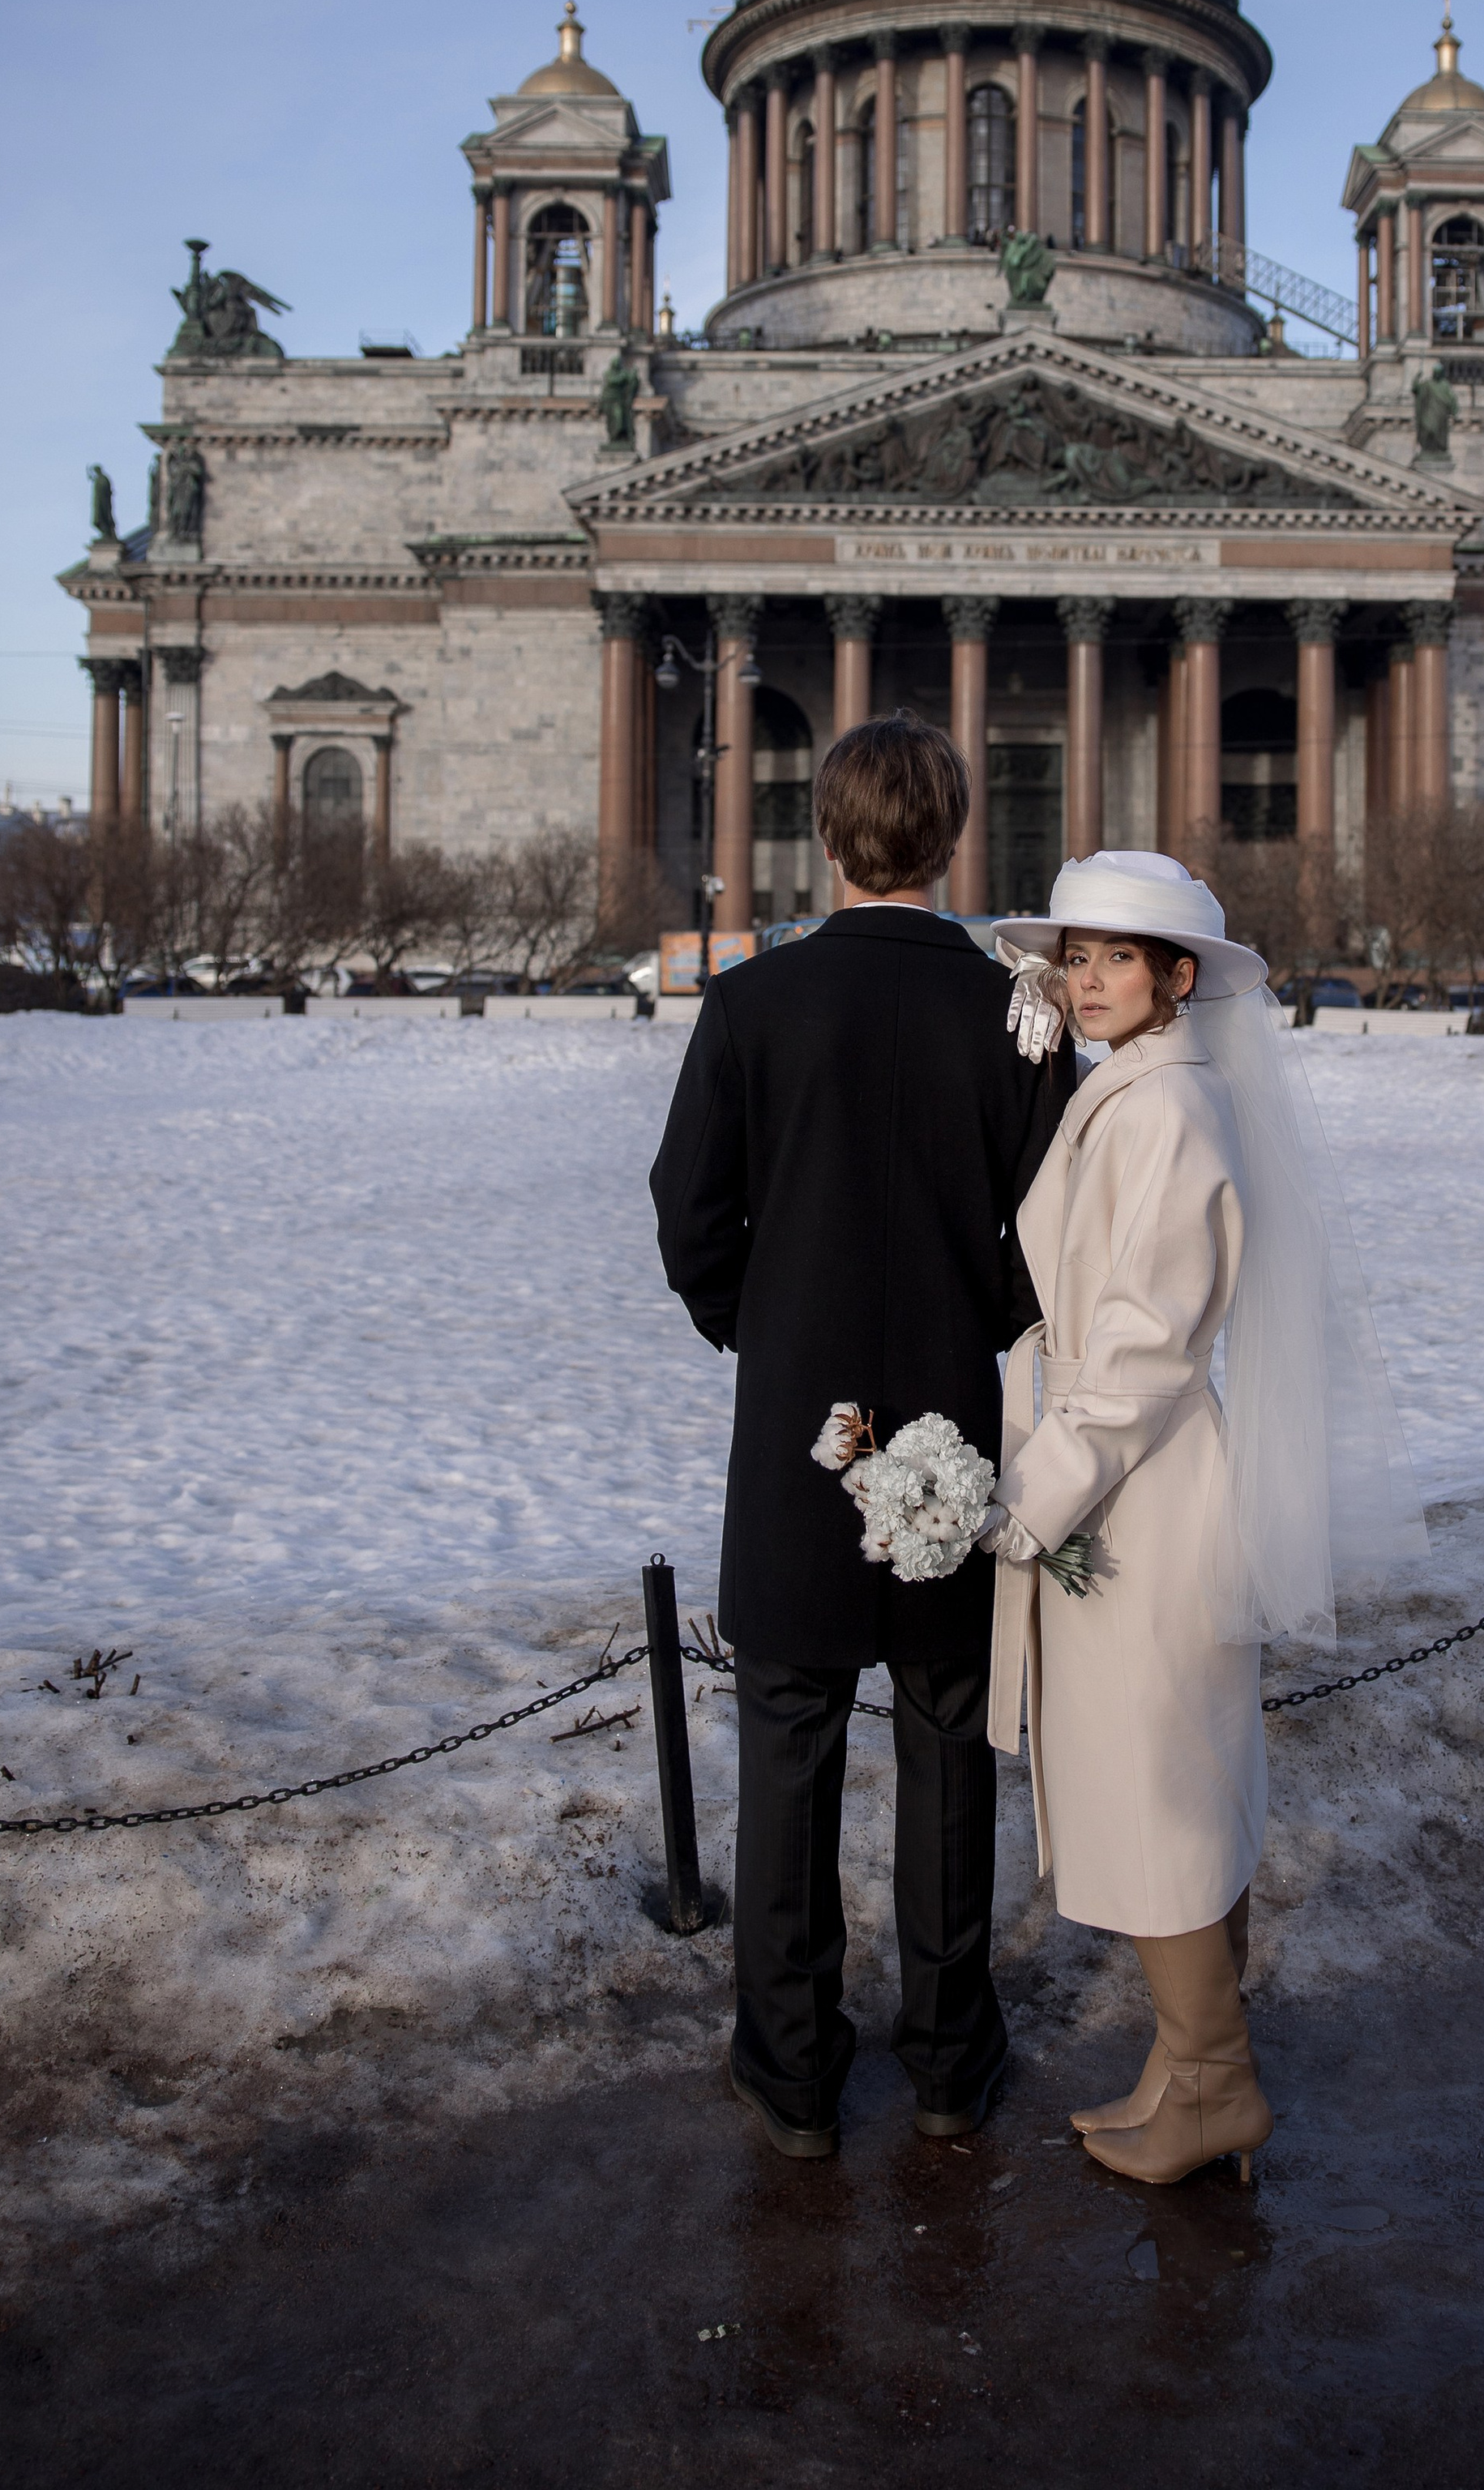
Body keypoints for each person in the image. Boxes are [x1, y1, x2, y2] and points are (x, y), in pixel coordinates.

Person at [649, 713, 1074, 2159]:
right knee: (953, 1742)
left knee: (787, 1744)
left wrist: (761, 1330)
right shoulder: (1019, 1016)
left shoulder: (751, 1005)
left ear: (827, 839)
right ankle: (951, 2057)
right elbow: (1051, 1246)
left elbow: (690, 1220)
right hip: (966, 1428)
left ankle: (790, 2068)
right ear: (952, 840)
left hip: (798, 1439)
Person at [984, 851, 1426, 2187]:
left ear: (1181, 977)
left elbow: (1146, 1343)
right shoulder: (1134, 1086)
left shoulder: (1169, 1108)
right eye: (1077, 955)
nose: (1086, 977)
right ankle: (1183, 2069)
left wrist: (1038, 1494)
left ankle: (1217, 2085)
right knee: (1167, 1781)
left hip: (1139, 1482)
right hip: (1132, 1468)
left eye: (1119, 957)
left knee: (1162, 1793)